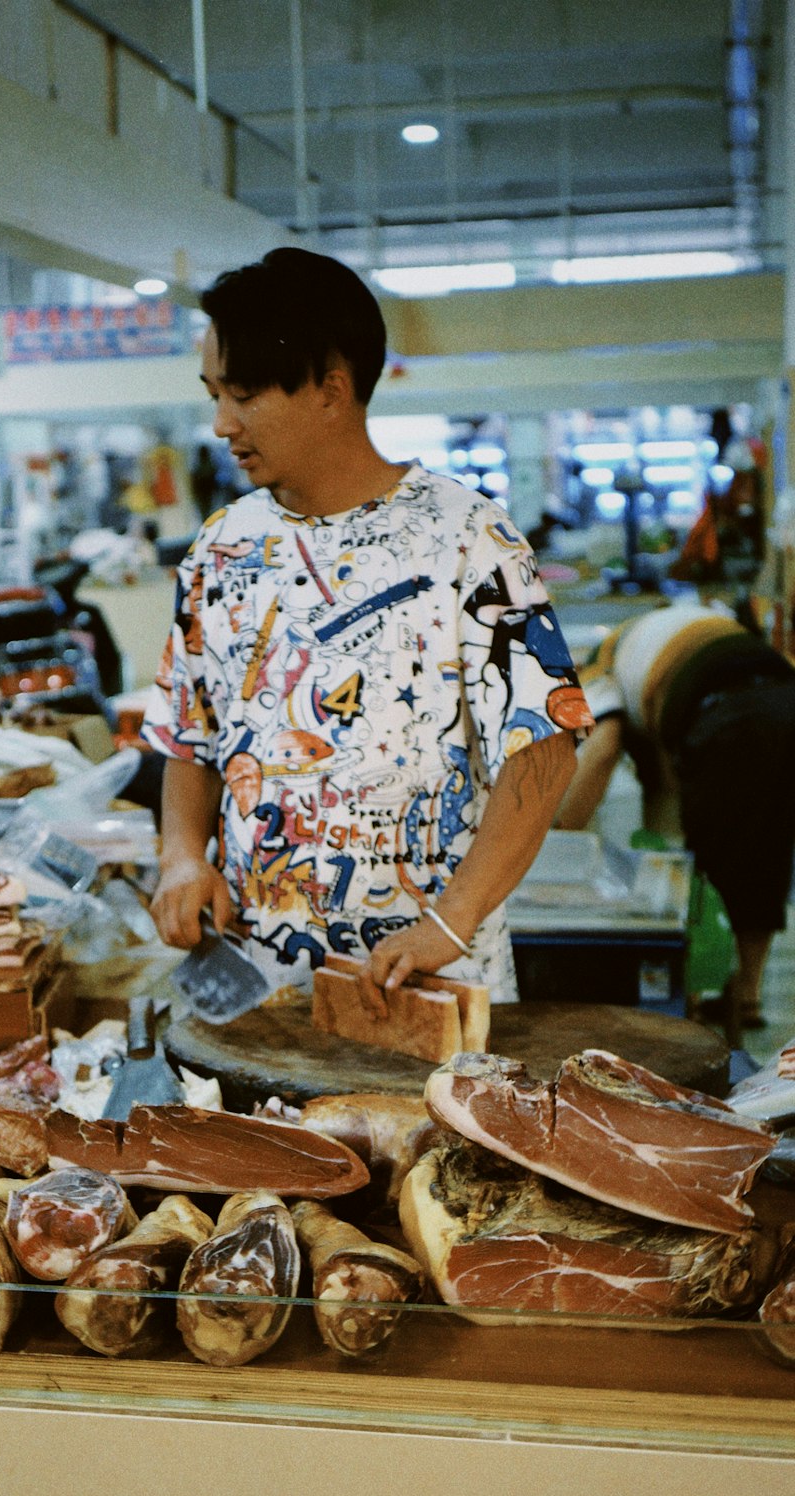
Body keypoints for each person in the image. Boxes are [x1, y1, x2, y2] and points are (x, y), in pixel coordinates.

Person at [141, 247, 591, 1015]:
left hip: (426, 985)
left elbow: (544, 745)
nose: (221, 424)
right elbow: (191, 738)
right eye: (215, 394)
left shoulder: (467, 537)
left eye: (243, 395)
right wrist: (182, 858)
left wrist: (450, 922)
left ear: (332, 389)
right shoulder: (220, 548)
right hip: (258, 993)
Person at [557, 600, 795, 1030]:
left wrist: (558, 842)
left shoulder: (594, 669)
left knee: (705, 870)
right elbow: (661, 790)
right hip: (784, 696)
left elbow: (603, 750)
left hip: (725, 713)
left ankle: (693, 1001)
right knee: (767, 848)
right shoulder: (657, 637)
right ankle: (747, 998)